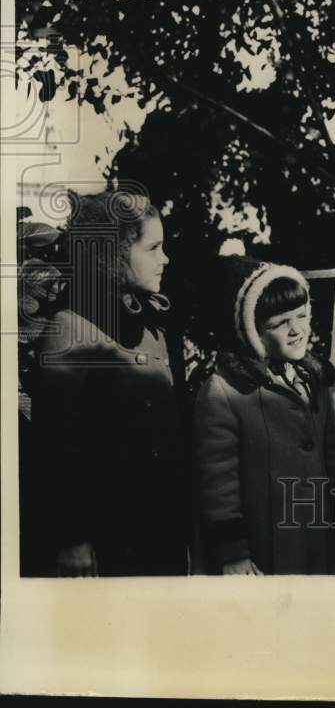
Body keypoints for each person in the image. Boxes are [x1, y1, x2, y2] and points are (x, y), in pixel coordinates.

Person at [31, 190, 189, 576]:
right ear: (112, 255)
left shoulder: (151, 327)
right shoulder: (71, 329)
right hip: (108, 539)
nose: (164, 259)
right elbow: (57, 445)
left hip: (161, 531)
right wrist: (72, 537)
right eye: (152, 248)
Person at [193, 255, 335, 576]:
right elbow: (217, 486)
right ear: (251, 332)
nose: (297, 330)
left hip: (317, 544)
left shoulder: (312, 380)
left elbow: (333, 462)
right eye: (281, 323)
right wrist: (233, 555)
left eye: (302, 315)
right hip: (262, 555)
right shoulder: (225, 392)